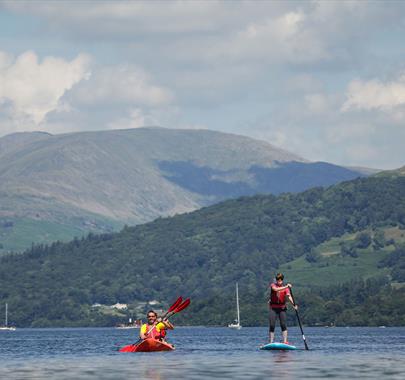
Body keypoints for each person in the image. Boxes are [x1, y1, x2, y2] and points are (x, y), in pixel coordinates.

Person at [268, 273, 297, 344]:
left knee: (283, 324)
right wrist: (287, 286)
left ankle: (285, 341)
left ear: (282, 280)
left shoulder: (286, 289)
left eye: (280, 280)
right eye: (278, 280)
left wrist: (294, 304)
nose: (279, 281)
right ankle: (271, 341)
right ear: (276, 280)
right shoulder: (273, 285)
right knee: (272, 325)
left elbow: (289, 296)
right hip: (273, 308)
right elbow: (275, 289)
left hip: (282, 308)